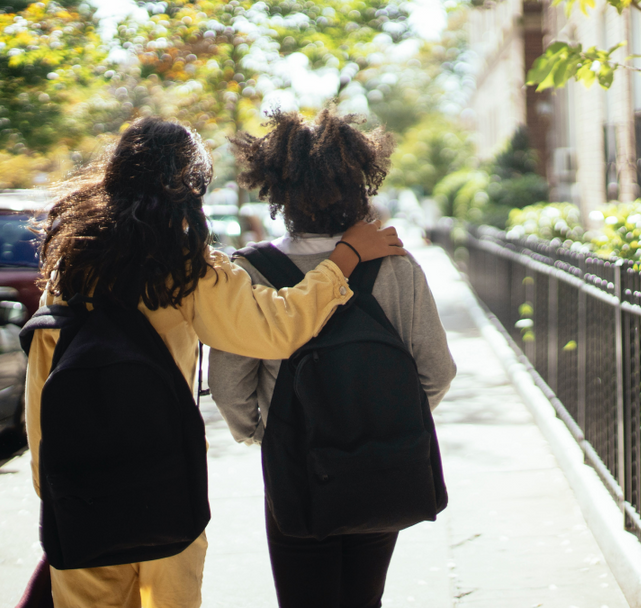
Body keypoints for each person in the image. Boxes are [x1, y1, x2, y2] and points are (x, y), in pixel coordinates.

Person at [25, 116, 406, 608]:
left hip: (76, 487)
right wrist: (347, 257)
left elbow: (41, 384)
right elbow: (278, 327)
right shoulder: (180, 269)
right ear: (188, 185)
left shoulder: (69, 261)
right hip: (161, 483)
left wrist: (52, 490)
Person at [207, 108, 457, 608]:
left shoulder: (251, 272)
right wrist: (391, 420)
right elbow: (437, 370)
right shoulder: (397, 267)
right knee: (365, 598)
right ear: (359, 183)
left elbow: (230, 384)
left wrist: (262, 431)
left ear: (278, 190)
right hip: (382, 461)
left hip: (296, 464)